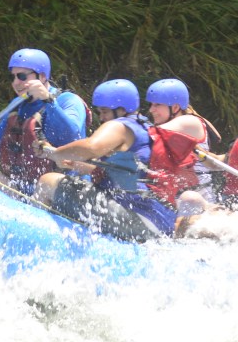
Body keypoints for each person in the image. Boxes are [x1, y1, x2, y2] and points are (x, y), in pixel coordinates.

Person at [38, 79, 176, 242]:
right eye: (99, 112)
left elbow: (91, 147)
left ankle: (38, 235)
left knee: (48, 181)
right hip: (159, 223)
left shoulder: (121, 126)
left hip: (137, 220)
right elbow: (122, 174)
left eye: (105, 112)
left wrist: (56, 153)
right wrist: (74, 164)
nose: (102, 117)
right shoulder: (145, 127)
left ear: (121, 110)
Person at [0, 48, 88, 194]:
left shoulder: (68, 100)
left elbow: (72, 137)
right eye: (13, 77)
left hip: (57, 189)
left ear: (42, 76)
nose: (16, 82)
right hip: (22, 189)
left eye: (22, 76)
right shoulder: (17, 104)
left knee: (45, 185)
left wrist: (48, 100)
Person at [143, 78, 222, 206]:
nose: (151, 110)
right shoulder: (173, 125)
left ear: (175, 107)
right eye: (151, 104)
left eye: (157, 105)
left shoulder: (189, 121)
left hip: (198, 202)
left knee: (188, 199)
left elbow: (146, 133)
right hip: (180, 201)